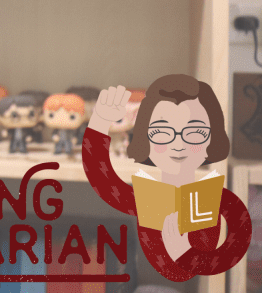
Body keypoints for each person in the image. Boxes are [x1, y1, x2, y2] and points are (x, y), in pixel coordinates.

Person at [83, 76, 251, 282]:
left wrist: (186, 254)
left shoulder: (215, 197)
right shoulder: (150, 197)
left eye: (195, 132)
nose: (178, 145)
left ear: (212, 137)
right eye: (162, 132)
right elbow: (103, 181)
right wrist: (99, 123)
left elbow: (234, 248)